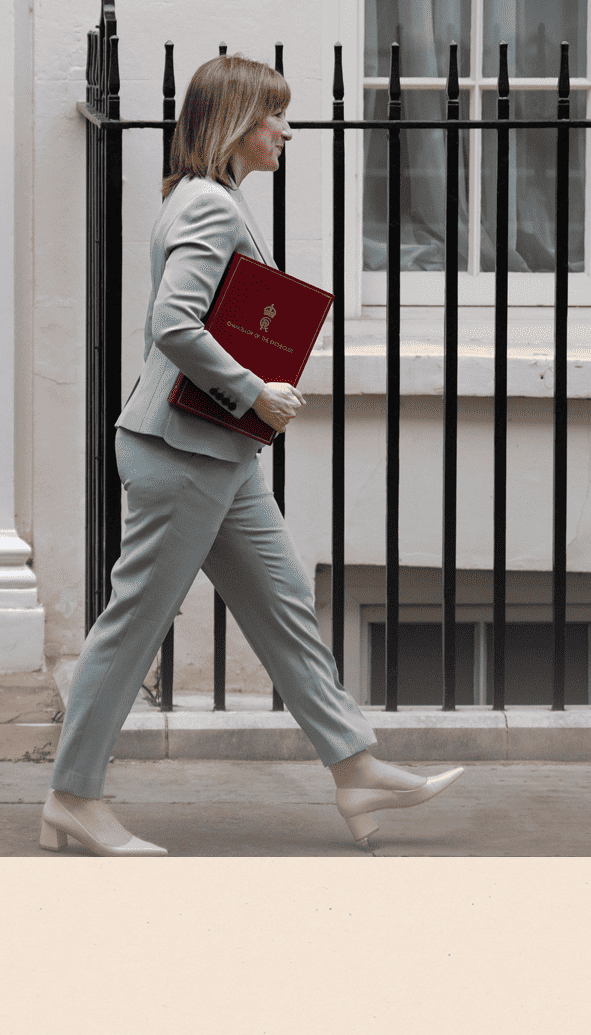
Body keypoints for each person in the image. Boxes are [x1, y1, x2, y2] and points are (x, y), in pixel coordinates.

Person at [42, 53, 463, 856]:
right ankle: (73, 796)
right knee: (134, 627)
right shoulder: (207, 205)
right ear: (239, 122)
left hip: (212, 454)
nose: (287, 130)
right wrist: (254, 390)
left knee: (282, 607)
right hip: (182, 450)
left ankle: (356, 767)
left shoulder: (210, 198)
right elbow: (174, 322)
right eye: (276, 116)